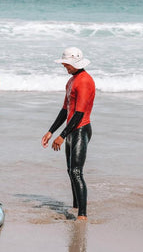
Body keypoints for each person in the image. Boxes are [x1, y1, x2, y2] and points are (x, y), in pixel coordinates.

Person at [41, 47, 95, 221]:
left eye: (66, 64)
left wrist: (62, 136)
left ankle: (82, 215)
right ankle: (75, 205)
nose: (64, 66)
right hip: (71, 129)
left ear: (75, 63)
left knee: (76, 171)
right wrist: (51, 131)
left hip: (80, 129)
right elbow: (66, 110)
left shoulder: (84, 81)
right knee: (70, 170)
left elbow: (79, 114)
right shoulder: (71, 81)